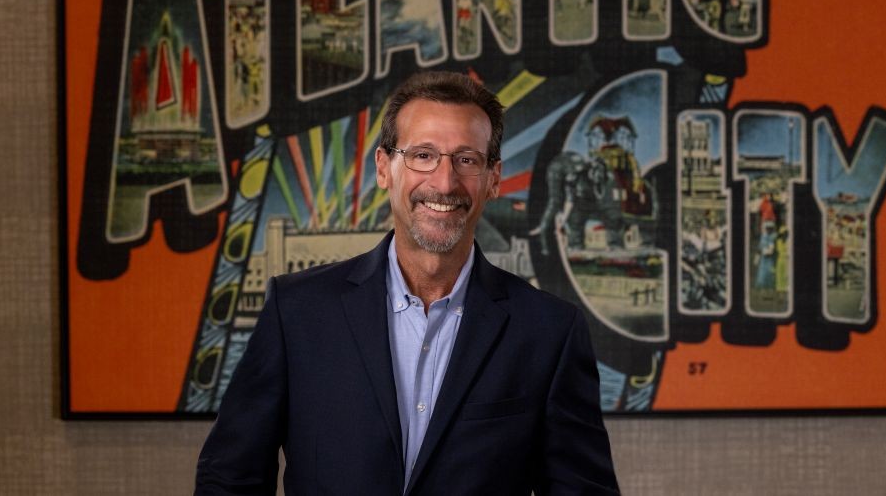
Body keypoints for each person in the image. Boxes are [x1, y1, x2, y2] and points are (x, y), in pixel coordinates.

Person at [195, 71, 620, 495]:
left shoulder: (550, 332)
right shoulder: (297, 312)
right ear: (384, 168)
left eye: (467, 159)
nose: (444, 181)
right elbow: (230, 479)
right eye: (422, 155)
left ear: (493, 179)